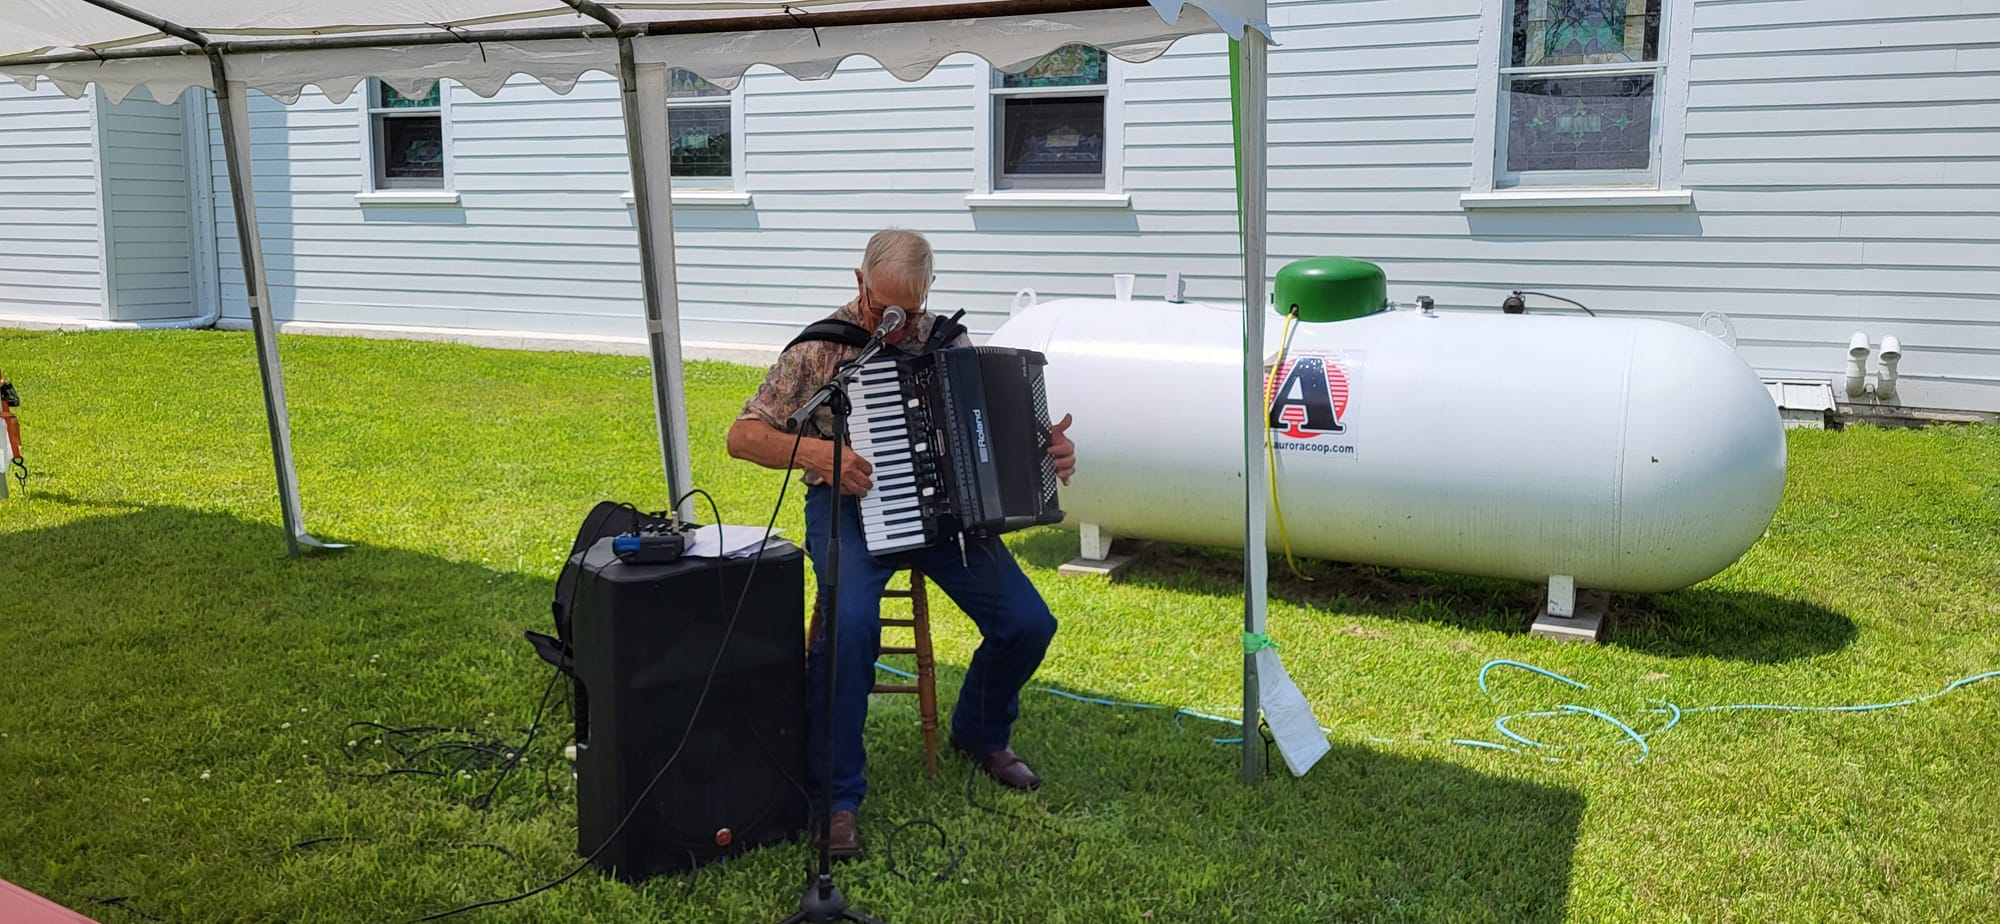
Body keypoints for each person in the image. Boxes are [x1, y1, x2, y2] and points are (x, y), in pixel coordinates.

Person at [726, 229, 1077, 861]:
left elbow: (992, 439)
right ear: (859, 283)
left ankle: (980, 731)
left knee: (1028, 622)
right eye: (881, 308)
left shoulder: (950, 342)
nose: (892, 325)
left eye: (908, 312)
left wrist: (1045, 453)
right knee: (851, 628)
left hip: (947, 520)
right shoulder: (819, 352)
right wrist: (820, 455)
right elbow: (743, 436)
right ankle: (836, 797)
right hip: (851, 511)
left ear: (927, 294)